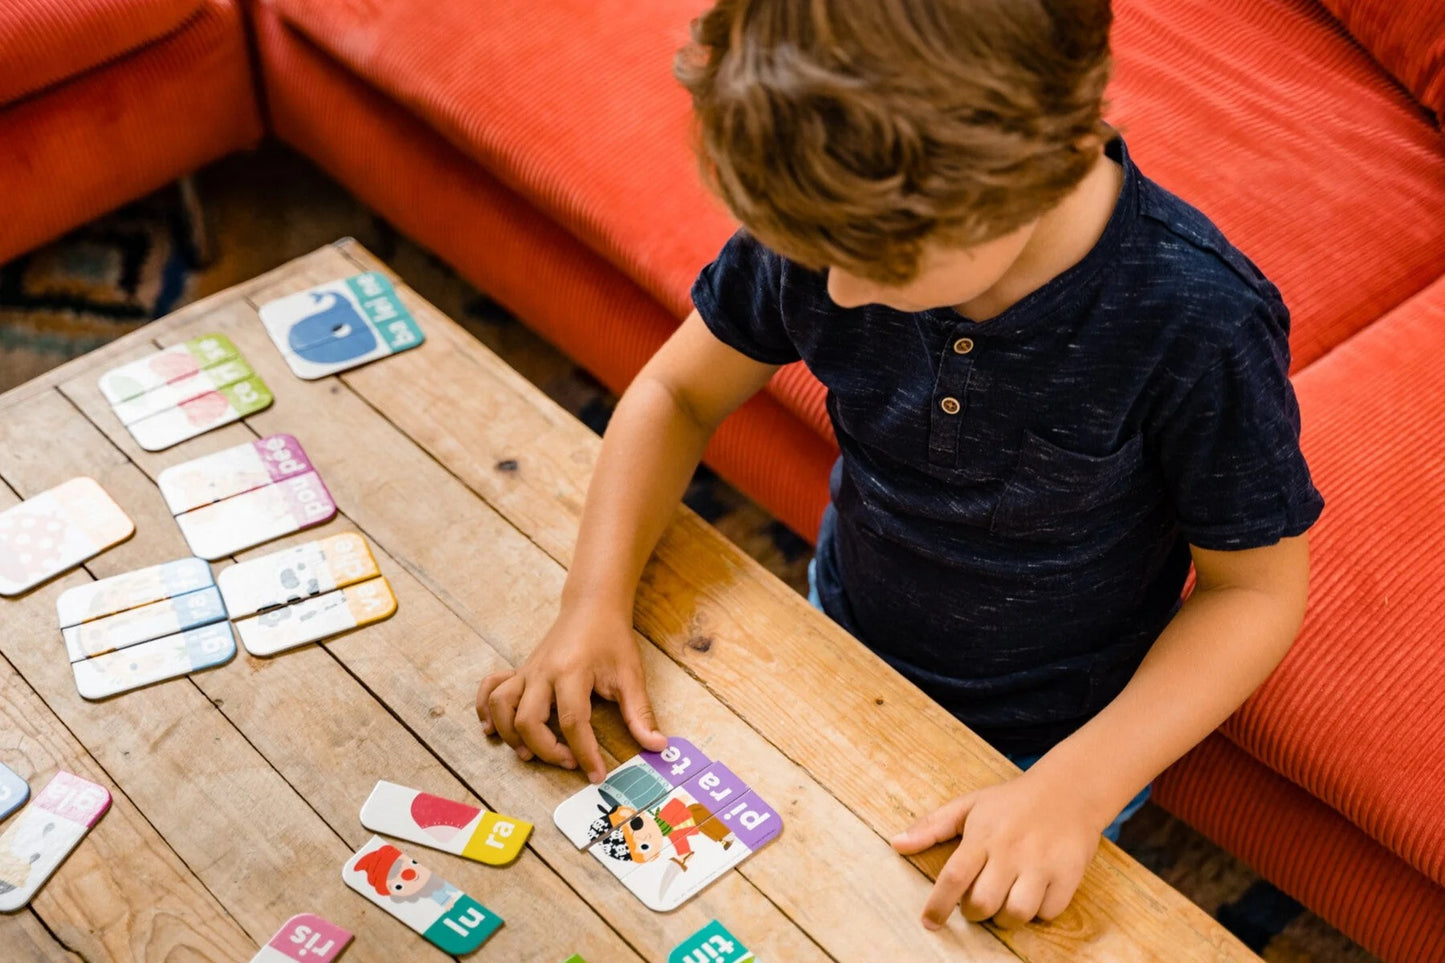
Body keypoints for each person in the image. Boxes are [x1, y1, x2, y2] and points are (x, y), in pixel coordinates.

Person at [478, 0, 1323, 931]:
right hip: (837, 633)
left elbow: (1253, 592)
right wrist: (590, 601)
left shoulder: (1198, 321)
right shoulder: (834, 219)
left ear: (1012, 186)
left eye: (871, 263)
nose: (833, 293)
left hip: (1058, 740)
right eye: (814, 256)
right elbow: (677, 393)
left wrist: (1076, 793)